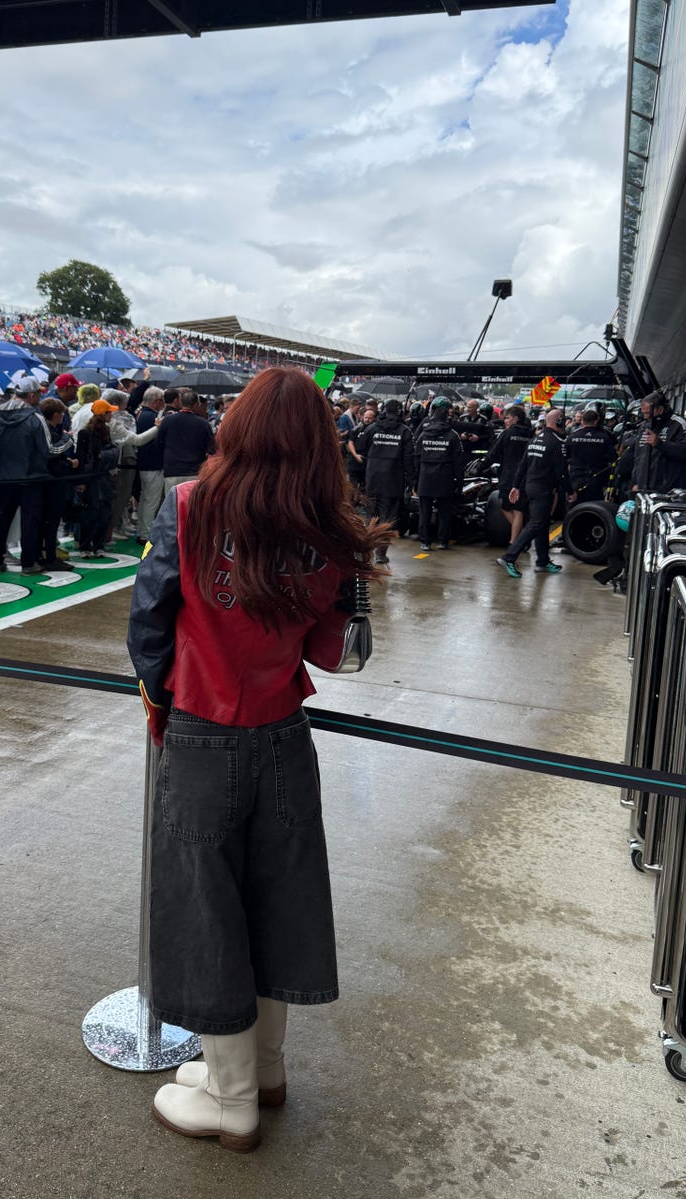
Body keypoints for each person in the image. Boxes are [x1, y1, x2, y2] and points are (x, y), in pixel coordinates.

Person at [126, 367, 390, 1153]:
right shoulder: (332, 525)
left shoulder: (189, 504)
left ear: (236, 425)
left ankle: (231, 1099)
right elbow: (337, 650)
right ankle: (262, 1072)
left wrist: (160, 701)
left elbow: (148, 625)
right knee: (277, 899)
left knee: (206, 909)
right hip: (284, 733)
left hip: (203, 729)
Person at [0, 374, 50, 575]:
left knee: (1, 519)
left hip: (3, 477)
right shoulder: (36, 418)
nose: (40, 397)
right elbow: (47, 449)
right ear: (31, 395)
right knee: (30, 521)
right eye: (38, 394)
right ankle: (28, 563)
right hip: (31, 477)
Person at [496, 407, 571, 578]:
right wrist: (570, 490)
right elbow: (561, 472)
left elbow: (523, 464)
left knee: (543, 523)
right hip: (543, 488)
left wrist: (516, 486)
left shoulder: (535, 439)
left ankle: (542, 561)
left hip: (530, 486)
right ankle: (509, 557)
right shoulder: (557, 443)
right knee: (536, 523)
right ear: (559, 421)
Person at [356, 398, 415, 564]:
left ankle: (365, 551)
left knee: (371, 517)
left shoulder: (372, 428)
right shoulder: (405, 431)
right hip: (393, 481)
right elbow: (409, 459)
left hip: (373, 479)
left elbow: (361, 449)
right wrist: (410, 482)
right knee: (387, 518)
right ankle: (381, 554)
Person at [478, 404, 533, 547]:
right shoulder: (530, 434)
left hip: (508, 476)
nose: (505, 421)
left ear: (515, 418)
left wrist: (480, 467)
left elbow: (493, 454)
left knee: (504, 506)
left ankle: (518, 539)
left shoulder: (507, 434)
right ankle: (518, 540)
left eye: (507, 418)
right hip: (525, 477)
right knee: (519, 511)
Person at [414, 396, 464, 549]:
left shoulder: (423, 434)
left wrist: (415, 480)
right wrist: (459, 482)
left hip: (425, 476)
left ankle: (425, 542)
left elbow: (416, 458)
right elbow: (458, 461)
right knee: (444, 511)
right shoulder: (453, 435)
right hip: (445, 476)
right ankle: (443, 541)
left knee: (424, 511)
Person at [74, 400, 119, 558]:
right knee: (92, 513)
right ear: (104, 414)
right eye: (109, 412)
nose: (111, 415)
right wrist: (80, 481)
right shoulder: (85, 432)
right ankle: (87, 545)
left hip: (99, 478)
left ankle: (96, 545)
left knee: (102, 513)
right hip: (92, 478)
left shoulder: (104, 430)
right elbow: (81, 456)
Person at [38, 397, 78, 570]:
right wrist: (68, 441)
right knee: (50, 521)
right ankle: (49, 556)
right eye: (61, 413)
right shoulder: (51, 432)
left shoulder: (50, 429)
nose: (63, 416)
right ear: (55, 415)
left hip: (50, 480)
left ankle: (46, 553)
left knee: (48, 521)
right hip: (53, 482)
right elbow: (52, 453)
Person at [629, 391, 686, 493]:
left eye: (647, 413)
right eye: (643, 413)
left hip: (667, 491)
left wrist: (660, 444)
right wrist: (635, 482)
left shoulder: (679, 424)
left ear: (660, 409)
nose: (645, 417)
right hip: (643, 489)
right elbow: (638, 456)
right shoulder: (644, 426)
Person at [157, 388, 215, 494]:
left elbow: (159, 443)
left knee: (173, 502)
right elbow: (212, 448)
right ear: (196, 405)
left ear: (181, 402)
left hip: (172, 471)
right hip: (195, 472)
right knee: (192, 502)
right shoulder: (203, 423)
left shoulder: (167, 420)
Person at [134, 385, 166, 546]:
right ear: (156, 401)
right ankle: (146, 533)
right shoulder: (152, 417)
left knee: (145, 499)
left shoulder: (140, 414)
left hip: (144, 463)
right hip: (153, 464)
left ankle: (142, 531)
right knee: (151, 501)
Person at [565, 407, 617, 503]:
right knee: (594, 508)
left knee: (576, 508)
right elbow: (614, 459)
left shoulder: (572, 437)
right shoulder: (604, 438)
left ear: (582, 421)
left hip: (576, 479)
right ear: (596, 421)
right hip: (597, 481)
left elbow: (565, 457)